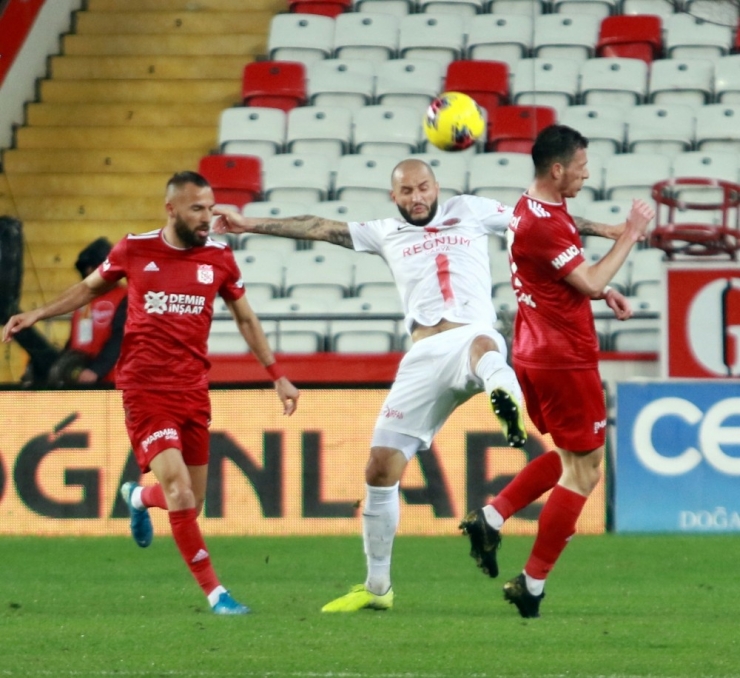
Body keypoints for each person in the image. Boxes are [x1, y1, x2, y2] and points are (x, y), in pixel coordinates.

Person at [212, 158, 623, 613]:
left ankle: (499, 393)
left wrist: (604, 229)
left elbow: (540, 220)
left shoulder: (470, 210)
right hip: (424, 359)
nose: (417, 197)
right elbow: (317, 226)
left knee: (484, 343)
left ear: (436, 186)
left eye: (423, 187)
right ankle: (377, 588)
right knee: (379, 469)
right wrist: (248, 223)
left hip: (473, 336)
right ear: (395, 196)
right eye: (407, 191)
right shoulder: (384, 231)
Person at [2, 171, 300, 615]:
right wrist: (38, 314)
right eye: (197, 208)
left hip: (193, 391)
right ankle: (218, 595)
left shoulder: (219, 256)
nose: (208, 216)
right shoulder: (135, 248)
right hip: (144, 389)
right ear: (172, 209)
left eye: (211, 206)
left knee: (192, 502)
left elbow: (244, 318)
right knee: (179, 491)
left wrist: (276, 374)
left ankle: (138, 497)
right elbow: (88, 289)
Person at [460, 125, 654, 618]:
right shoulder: (543, 222)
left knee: (568, 459)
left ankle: (492, 515)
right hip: (561, 358)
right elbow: (585, 279)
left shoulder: (535, 209)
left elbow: (565, 278)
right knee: (585, 472)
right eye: (582, 168)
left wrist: (599, 289)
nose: (587, 176)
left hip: (535, 350)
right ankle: (532, 584)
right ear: (558, 169)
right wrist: (628, 235)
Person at [14, 237, 127, 387]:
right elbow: (74, 341)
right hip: (79, 378)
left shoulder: (124, 297)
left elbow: (121, 339)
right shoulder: (82, 300)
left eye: (92, 270)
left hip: (109, 382)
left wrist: (95, 370)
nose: (89, 276)